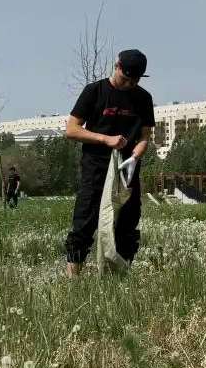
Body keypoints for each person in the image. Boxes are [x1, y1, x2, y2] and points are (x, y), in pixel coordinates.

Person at [62, 49, 155, 276]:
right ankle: (73, 277)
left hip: (128, 169)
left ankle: (119, 276)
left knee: (127, 223)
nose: (129, 85)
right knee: (85, 221)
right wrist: (105, 139)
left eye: (134, 81)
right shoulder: (94, 91)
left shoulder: (143, 98)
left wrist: (136, 154)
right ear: (117, 66)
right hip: (96, 166)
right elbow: (71, 130)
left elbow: (145, 135)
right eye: (125, 79)